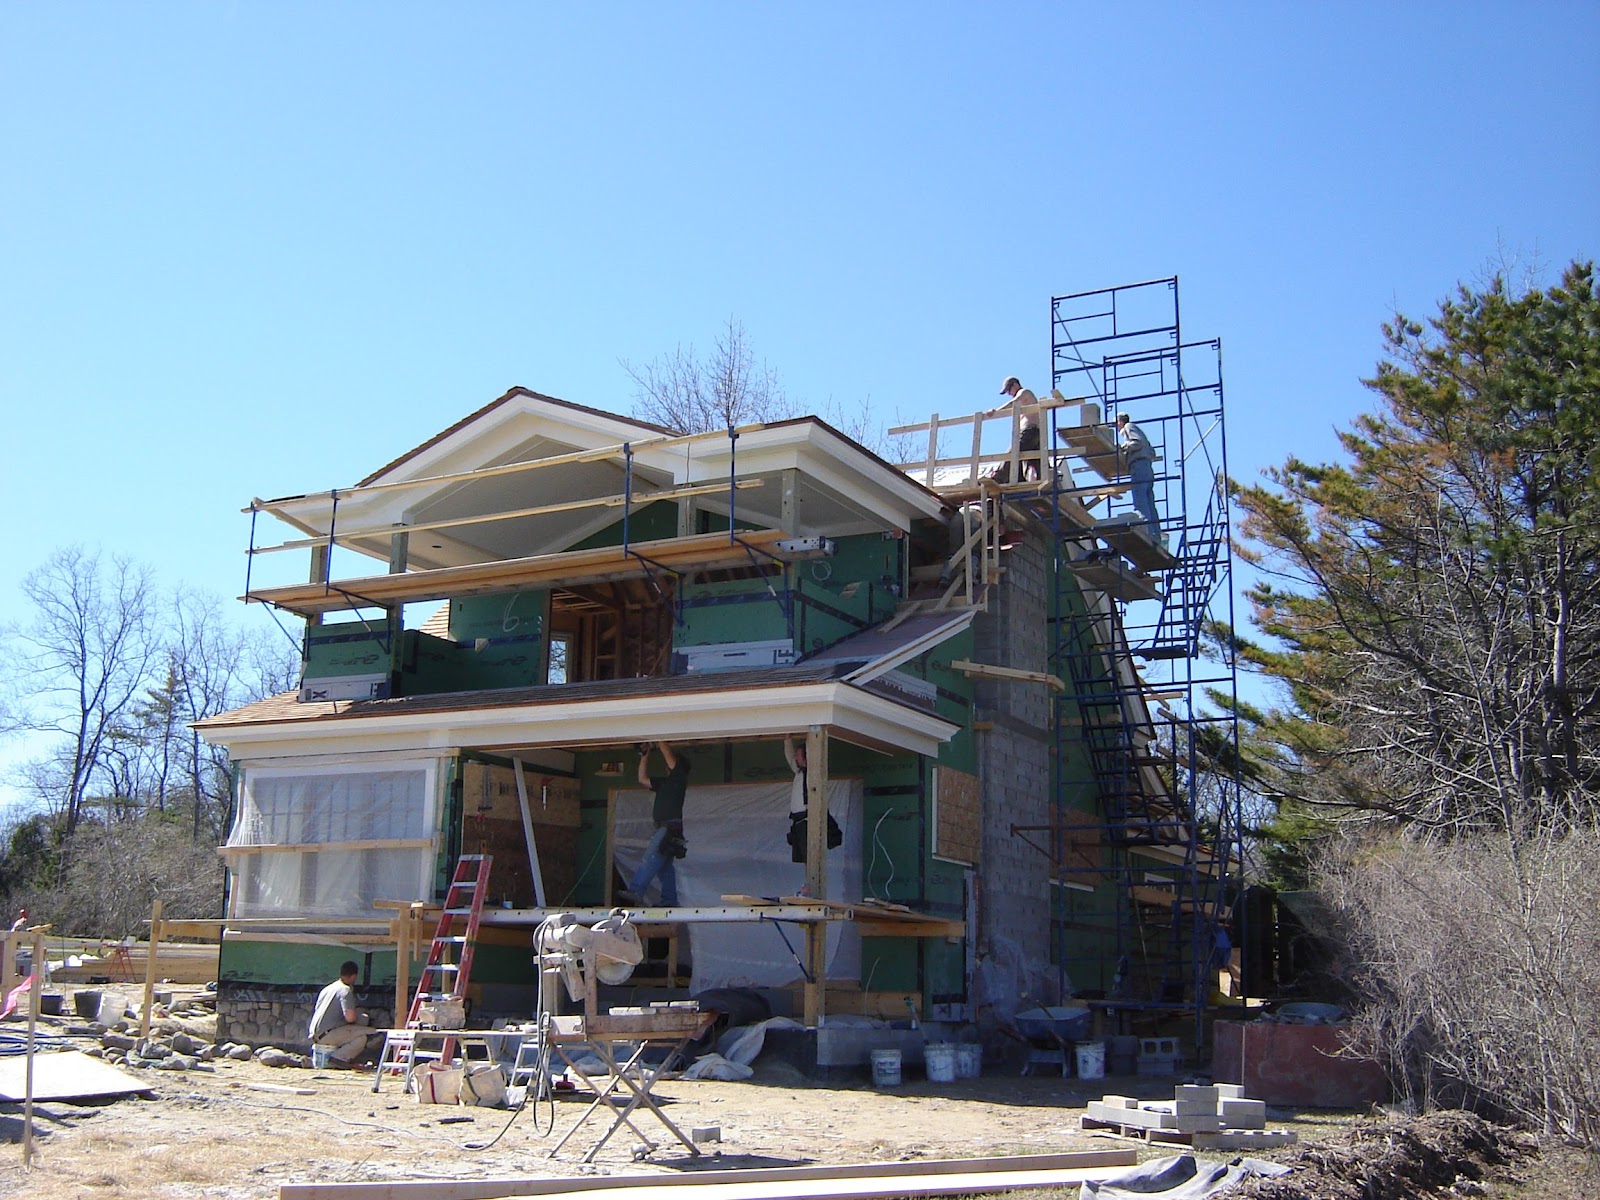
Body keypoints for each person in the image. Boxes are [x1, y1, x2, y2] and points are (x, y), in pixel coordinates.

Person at [622, 741, 690, 906]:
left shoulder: (679, 776)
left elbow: (668, 755)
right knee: (664, 869)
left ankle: (636, 891)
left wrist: (659, 738)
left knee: (650, 858)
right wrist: (645, 755)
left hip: (668, 827)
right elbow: (642, 779)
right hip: (667, 828)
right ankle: (669, 901)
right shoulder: (666, 783)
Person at [784, 738, 842, 873]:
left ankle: (813, 885)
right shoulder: (799, 772)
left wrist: (811, 734)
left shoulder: (812, 773)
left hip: (808, 819)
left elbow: (812, 749)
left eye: (799, 755)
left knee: (811, 855)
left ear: (806, 757)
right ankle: (808, 885)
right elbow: (790, 757)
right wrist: (787, 739)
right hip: (798, 821)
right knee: (804, 856)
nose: (796, 758)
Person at [308, 960, 373, 1066]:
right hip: (327, 1035)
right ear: (353, 976)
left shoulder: (328, 989)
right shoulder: (345, 990)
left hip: (316, 1035)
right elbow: (350, 1018)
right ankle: (338, 1059)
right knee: (362, 1037)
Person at [1116, 412, 1160, 541]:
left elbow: (1137, 443)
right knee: (1149, 501)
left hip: (1139, 466)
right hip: (1146, 467)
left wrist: (1123, 447)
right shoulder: (1139, 431)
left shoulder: (1129, 427)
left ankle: (1146, 530)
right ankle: (1155, 533)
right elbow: (1152, 451)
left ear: (1120, 422)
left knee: (1140, 499)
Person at [989, 376, 1041, 484]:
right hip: (1034, 433)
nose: (1009, 393)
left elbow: (1014, 403)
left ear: (1015, 384)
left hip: (1029, 431)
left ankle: (998, 477)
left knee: (1012, 453)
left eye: (1009, 390)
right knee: (1029, 460)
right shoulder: (1025, 399)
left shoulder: (1024, 392)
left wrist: (996, 412)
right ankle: (1028, 481)